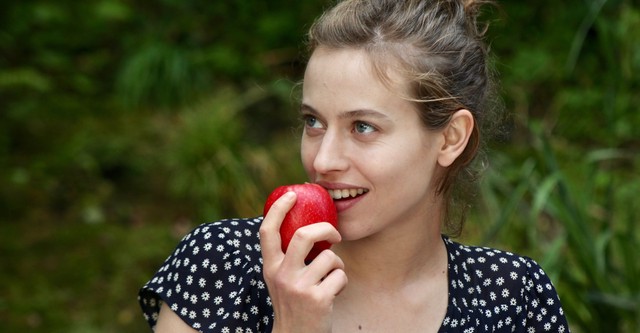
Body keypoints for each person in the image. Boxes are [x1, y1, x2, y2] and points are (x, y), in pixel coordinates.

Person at [139, 0, 570, 332]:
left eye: (363, 127)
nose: (322, 160)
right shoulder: (222, 266)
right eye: (313, 122)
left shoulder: (514, 298)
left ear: (450, 137)